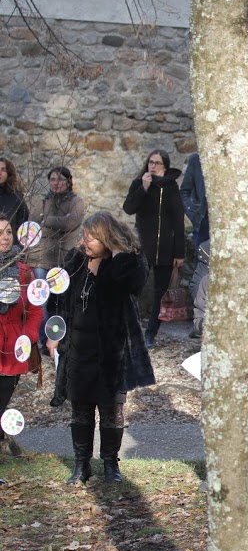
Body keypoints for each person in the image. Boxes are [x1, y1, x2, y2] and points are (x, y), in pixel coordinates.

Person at [48, 211, 154, 484]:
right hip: (79, 349)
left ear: (108, 239)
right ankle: (81, 465)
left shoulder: (125, 262)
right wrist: (55, 333)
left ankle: (110, 465)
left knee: (111, 412)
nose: (85, 241)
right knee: (80, 410)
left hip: (111, 352)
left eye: (92, 237)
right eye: (84, 235)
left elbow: (135, 283)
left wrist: (110, 261)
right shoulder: (76, 261)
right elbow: (59, 301)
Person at [122, 149, 185, 347]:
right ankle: (131, 329)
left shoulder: (172, 188)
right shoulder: (139, 183)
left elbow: (178, 221)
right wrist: (144, 188)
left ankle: (150, 334)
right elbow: (128, 208)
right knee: (134, 288)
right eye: (151, 162)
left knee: (160, 292)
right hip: (143, 246)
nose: (153, 166)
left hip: (166, 249)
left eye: (158, 163)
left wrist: (179, 253)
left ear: (165, 166)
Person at [0, 214, 43, 461]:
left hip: (14, 345)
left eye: (8, 232)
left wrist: (28, 336)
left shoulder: (24, 273)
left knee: (3, 399)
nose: (5, 238)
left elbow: (35, 309)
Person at [37, 166, 86, 270]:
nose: (56, 183)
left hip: (65, 257)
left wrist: (45, 219)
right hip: (43, 258)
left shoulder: (76, 202)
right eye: (52, 179)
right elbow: (33, 225)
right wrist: (61, 220)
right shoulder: (43, 202)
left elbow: (70, 223)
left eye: (60, 179)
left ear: (68, 182)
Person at [179, 153, 209, 250]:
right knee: (202, 261)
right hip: (203, 220)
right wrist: (193, 213)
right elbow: (184, 191)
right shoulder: (196, 160)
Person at [0, 157, 29, 232]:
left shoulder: (17, 198)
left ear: (8, 173)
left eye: (3, 170)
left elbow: (23, 224)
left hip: (10, 241)